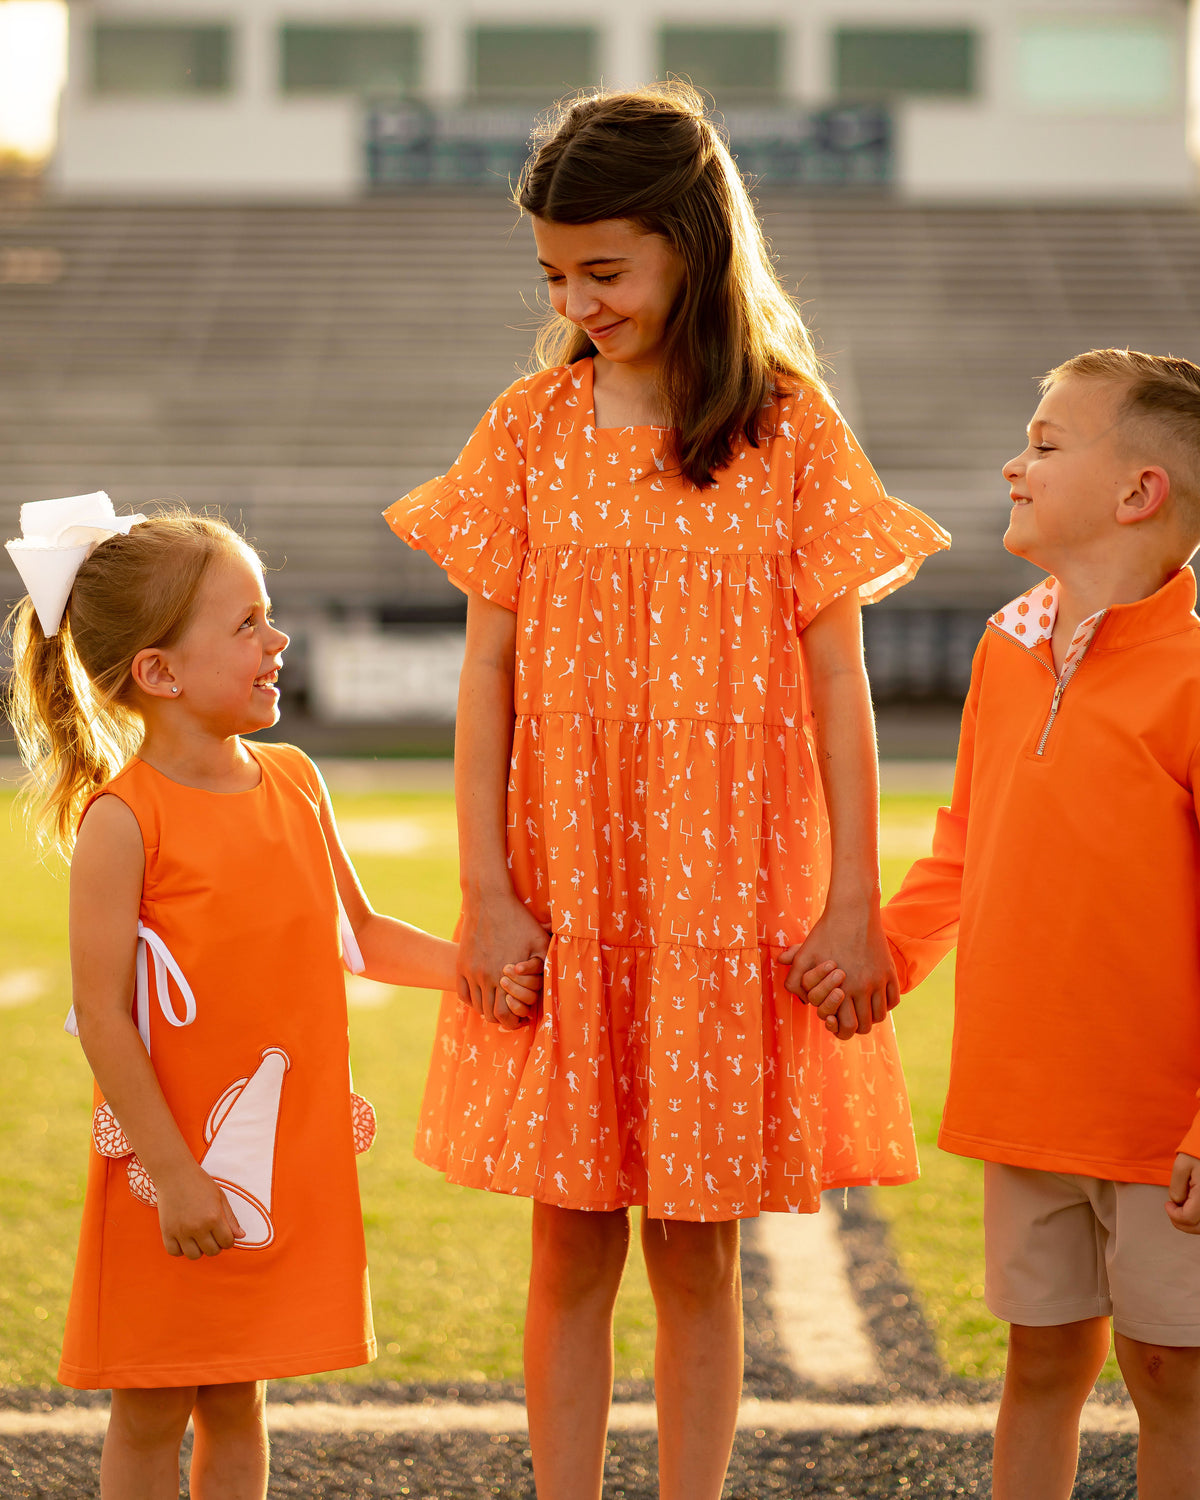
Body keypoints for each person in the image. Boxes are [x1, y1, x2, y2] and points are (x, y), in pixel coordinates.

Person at [385, 85, 949, 1500]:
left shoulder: (790, 431)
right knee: (570, 1238)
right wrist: (488, 895)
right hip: (563, 888)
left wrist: (851, 896)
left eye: (606, 269)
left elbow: (838, 689)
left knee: (697, 1246)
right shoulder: (527, 427)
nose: (579, 297)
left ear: (693, 245)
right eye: (555, 273)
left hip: (723, 897)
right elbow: (487, 683)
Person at [3, 494, 541, 1500]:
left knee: (240, 1398)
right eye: (246, 623)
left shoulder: (295, 781)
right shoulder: (124, 822)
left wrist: (481, 976)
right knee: (152, 1402)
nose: (277, 639)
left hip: (273, 1161)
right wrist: (177, 1177)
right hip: (171, 1173)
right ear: (158, 674)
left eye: (269, 614)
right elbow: (106, 1018)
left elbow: (365, 937)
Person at [799, 349, 1200, 1500]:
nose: (1013, 465)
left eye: (1046, 444)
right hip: (1028, 1099)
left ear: (1139, 495)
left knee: (1171, 1372)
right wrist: (879, 961)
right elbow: (966, 844)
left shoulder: (1193, 679)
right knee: (1042, 1364)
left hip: (1163, 1125)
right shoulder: (1005, 646)